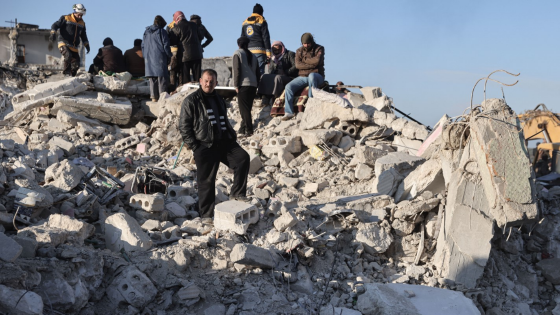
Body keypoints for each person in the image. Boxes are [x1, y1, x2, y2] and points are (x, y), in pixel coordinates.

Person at [178, 69, 250, 218]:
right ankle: (206, 215)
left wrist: (231, 136)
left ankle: (237, 194)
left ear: (216, 83)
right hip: (204, 145)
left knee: (242, 158)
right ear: (200, 81)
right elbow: (184, 127)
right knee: (206, 182)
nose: (208, 84)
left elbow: (223, 120)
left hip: (224, 142)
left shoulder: (218, 98)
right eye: (206, 81)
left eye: (211, 82)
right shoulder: (191, 100)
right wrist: (195, 146)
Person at [282, 33, 325, 121]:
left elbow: (317, 61)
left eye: (308, 43)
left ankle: (311, 104)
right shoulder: (299, 51)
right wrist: (312, 66)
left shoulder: (319, 48)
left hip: (317, 75)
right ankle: (289, 112)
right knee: (288, 87)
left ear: (311, 42)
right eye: (304, 44)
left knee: (312, 76)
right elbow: (298, 65)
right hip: (303, 76)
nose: (306, 45)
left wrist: (304, 61)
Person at [50, 4, 90, 77]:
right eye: (79, 15)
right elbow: (55, 25)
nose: (80, 17)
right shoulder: (66, 18)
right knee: (68, 55)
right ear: (74, 12)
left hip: (74, 46)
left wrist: (86, 44)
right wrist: (53, 33)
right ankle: (66, 73)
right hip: (63, 42)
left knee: (76, 63)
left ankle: (72, 76)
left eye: (81, 15)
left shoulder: (82, 23)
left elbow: (83, 35)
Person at [233, 37, 260, 137]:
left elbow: (237, 70)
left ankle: (249, 130)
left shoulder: (238, 53)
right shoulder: (253, 56)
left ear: (238, 44)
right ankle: (242, 129)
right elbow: (258, 73)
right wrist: (257, 84)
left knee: (243, 110)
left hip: (243, 84)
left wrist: (236, 85)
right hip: (253, 85)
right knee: (247, 109)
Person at [257, 41, 297, 106]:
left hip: (289, 77)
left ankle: (275, 97)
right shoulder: (273, 58)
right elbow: (270, 70)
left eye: (278, 49)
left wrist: (286, 71)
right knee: (264, 76)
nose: (277, 51)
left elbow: (296, 66)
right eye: (274, 50)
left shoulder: (290, 54)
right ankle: (265, 98)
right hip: (277, 75)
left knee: (277, 78)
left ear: (282, 48)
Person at [143, 15, 172, 102]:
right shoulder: (161, 31)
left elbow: (143, 46)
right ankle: (162, 98)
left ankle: (153, 97)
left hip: (149, 57)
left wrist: (146, 57)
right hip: (159, 56)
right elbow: (166, 45)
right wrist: (169, 56)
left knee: (152, 78)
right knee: (162, 77)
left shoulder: (146, 32)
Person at [169, 11, 203, 83]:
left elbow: (173, 42)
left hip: (184, 56)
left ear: (176, 19)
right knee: (197, 77)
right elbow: (201, 36)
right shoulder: (194, 25)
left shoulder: (176, 28)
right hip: (197, 54)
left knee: (186, 78)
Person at [241, 3, 271, 75]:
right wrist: (269, 53)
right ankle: (258, 86)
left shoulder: (245, 23)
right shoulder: (262, 21)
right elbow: (266, 38)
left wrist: (242, 51)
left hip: (247, 51)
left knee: (249, 72)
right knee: (259, 72)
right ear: (261, 12)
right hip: (259, 51)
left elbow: (242, 38)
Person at [166, 17, 182, 89]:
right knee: (181, 70)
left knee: (172, 70)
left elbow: (166, 38)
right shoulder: (183, 25)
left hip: (172, 51)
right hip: (182, 50)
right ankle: (180, 87)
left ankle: (173, 88)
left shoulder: (169, 26)